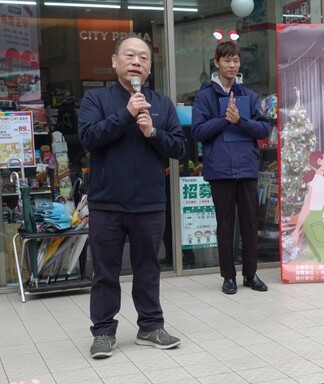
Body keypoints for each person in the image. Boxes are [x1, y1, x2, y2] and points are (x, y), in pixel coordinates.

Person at [78, 36, 187, 359]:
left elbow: (180, 148)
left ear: (150, 68)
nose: (136, 61)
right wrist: (126, 114)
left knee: (148, 268)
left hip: (149, 202)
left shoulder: (163, 104)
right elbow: (88, 138)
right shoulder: (95, 99)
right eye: (129, 55)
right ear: (115, 61)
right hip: (107, 202)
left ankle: (151, 326)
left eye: (143, 57)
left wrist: (154, 133)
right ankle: (103, 332)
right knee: (105, 271)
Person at [191, 41, 271, 295]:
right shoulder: (204, 96)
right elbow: (198, 131)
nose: (232, 66)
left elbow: (263, 129)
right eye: (227, 61)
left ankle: (250, 274)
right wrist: (224, 119)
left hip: (246, 168)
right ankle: (228, 276)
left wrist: (241, 120)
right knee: (225, 225)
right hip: (220, 170)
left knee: (249, 224)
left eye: (235, 61)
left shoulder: (249, 95)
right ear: (217, 62)